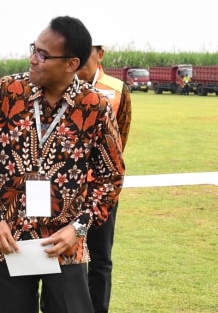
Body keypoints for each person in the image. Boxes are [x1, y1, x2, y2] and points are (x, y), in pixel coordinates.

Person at [0, 16, 125, 313]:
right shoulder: (7, 94)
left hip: (63, 244)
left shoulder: (94, 106)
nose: (33, 58)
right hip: (8, 241)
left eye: (43, 54)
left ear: (71, 64)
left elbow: (111, 177)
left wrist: (78, 228)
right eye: (34, 48)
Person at [77, 34, 132, 313]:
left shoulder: (118, 89)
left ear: (101, 53)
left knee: (100, 259)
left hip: (101, 191)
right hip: (67, 191)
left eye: (87, 51)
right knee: (63, 258)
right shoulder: (62, 82)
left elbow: (120, 138)